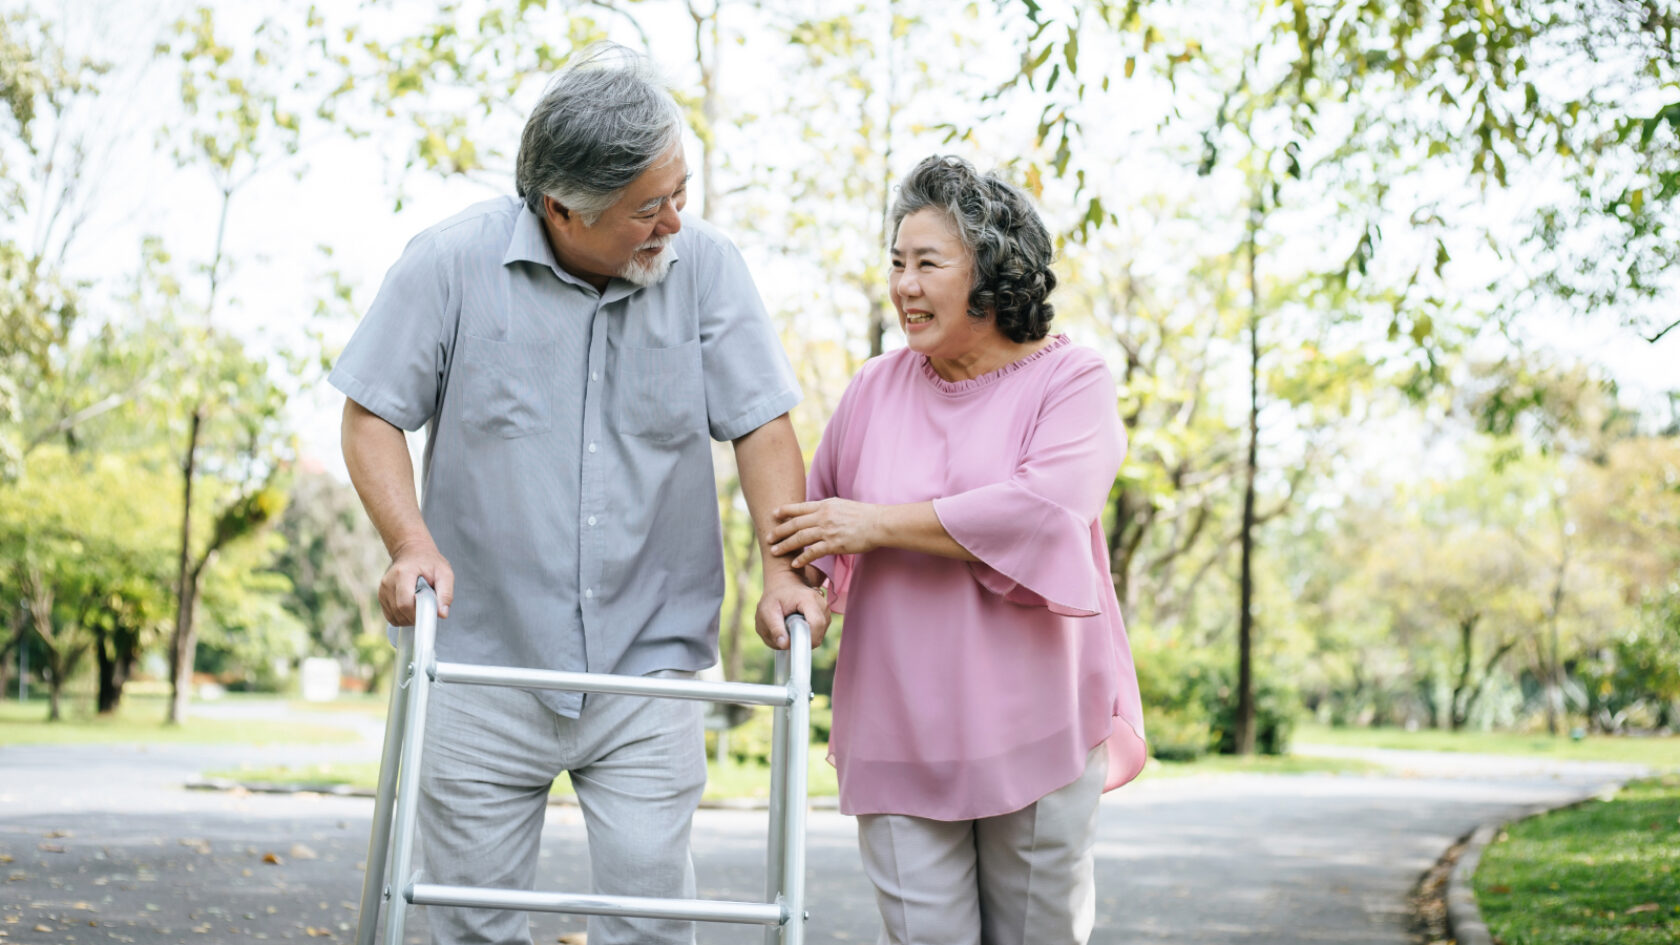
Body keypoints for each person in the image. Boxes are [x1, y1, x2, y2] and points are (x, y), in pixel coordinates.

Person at [331, 45, 827, 945]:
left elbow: (761, 425)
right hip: (484, 657)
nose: (674, 219)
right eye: (649, 207)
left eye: (681, 191)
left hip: (648, 670)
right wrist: (410, 543)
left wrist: (785, 569)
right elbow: (371, 416)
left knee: (650, 923)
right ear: (563, 208)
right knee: (469, 926)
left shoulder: (708, 268)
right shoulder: (449, 264)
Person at [767, 154, 1147, 945]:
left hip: (1037, 721)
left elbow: (1044, 512)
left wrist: (874, 525)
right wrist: (798, 588)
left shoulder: (1070, 380)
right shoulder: (873, 388)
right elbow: (816, 529)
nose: (904, 284)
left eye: (927, 263)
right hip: (896, 723)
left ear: (993, 270)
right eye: (896, 263)